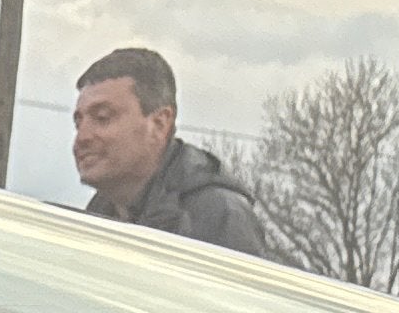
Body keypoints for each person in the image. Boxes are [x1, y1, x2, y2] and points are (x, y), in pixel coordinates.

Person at [69, 47, 274, 256]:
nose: (82, 138)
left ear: (160, 124)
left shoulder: (217, 217)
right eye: (78, 123)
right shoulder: (99, 215)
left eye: (102, 118)